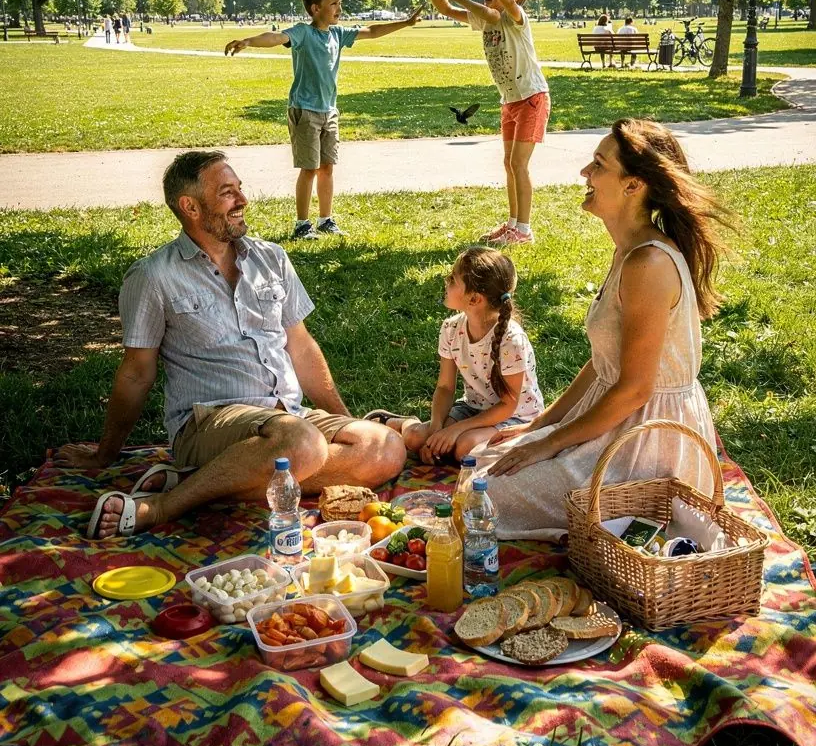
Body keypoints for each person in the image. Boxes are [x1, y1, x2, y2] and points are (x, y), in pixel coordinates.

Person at [54, 150, 406, 538]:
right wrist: (105, 455)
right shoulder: (154, 277)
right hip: (209, 420)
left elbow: (301, 347)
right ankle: (159, 507)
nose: (242, 200)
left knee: (385, 447)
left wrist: (347, 423)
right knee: (302, 443)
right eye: (227, 192)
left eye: (239, 188)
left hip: (285, 416)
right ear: (189, 206)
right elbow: (137, 374)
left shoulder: (271, 258)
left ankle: (200, 484)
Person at [473, 118, 730, 539]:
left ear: (634, 185)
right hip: (615, 420)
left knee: (487, 496)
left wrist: (550, 443)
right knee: (486, 461)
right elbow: (602, 365)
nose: (585, 174)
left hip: (647, 441)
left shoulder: (649, 264)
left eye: (598, 165)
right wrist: (540, 427)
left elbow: (633, 390)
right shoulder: (628, 252)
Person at [225, 0, 422, 239]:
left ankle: (325, 220)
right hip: (305, 110)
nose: (339, 8)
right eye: (333, 4)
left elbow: (372, 31)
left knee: (327, 167)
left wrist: (406, 22)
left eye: (339, 3)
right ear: (315, 8)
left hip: (329, 111)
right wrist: (248, 41)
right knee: (309, 169)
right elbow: (275, 37)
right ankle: (302, 224)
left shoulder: (338, 34)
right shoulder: (303, 33)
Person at [410, 0, 549, 245]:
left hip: (532, 97)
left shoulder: (516, 17)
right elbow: (448, 10)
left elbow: (502, 5)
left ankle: (523, 229)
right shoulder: (485, 18)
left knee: (518, 164)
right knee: (509, 164)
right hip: (510, 100)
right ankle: (512, 224)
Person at [370, 248, 544, 464]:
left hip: (514, 418)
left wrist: (456, 430)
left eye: (453, 279)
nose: (446, 281)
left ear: (474, 299)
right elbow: (445, 387)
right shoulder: (451, 329)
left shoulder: (511, 340)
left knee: (465, 449)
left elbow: (508, 404)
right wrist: (435, 430)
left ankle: (456, 441)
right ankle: (402, 423)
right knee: (417, 438)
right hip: (472, 408)